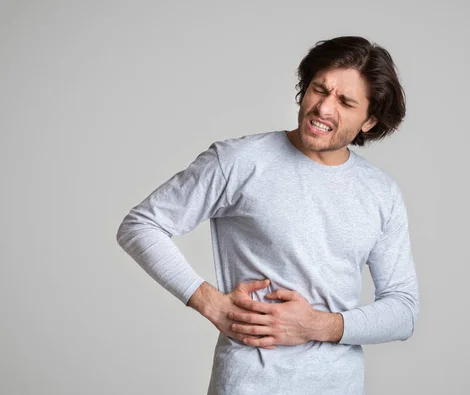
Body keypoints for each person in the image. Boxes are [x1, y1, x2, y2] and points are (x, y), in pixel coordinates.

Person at [116, 35, 419, 395]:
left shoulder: (381, 192)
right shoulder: (239, 161)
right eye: (319, 90)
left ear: (369, 121)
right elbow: (141, 225)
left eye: (345, 102)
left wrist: (318, 325)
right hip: (249, 384)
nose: (323, 108)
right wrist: (209, 302)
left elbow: (403, 310)